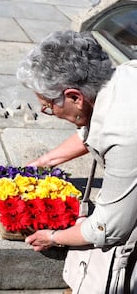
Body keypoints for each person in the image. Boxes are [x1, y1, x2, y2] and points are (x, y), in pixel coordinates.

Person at [16, 30, 137, 252]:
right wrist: (45, 161)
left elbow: (108, 227)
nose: (46, 112)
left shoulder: (124, 133)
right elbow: (93, 124)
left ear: (74, 97)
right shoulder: (124, 74)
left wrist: (53, 237)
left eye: (48, 106)